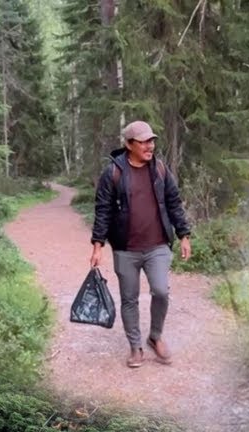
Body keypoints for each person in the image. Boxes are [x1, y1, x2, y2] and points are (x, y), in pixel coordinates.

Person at [89, 120, 193, 368]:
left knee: (161, 291)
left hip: (157, 245)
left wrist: (184, 235)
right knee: (129, 298)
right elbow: (103, 210)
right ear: (129, 144)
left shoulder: (160, 169)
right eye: (144, 141)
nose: (150, 146)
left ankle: (155, 337)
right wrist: (97, 245)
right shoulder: (113, 173)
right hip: (126, 248)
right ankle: (135, 346)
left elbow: (174, 203)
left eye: (152, 140)